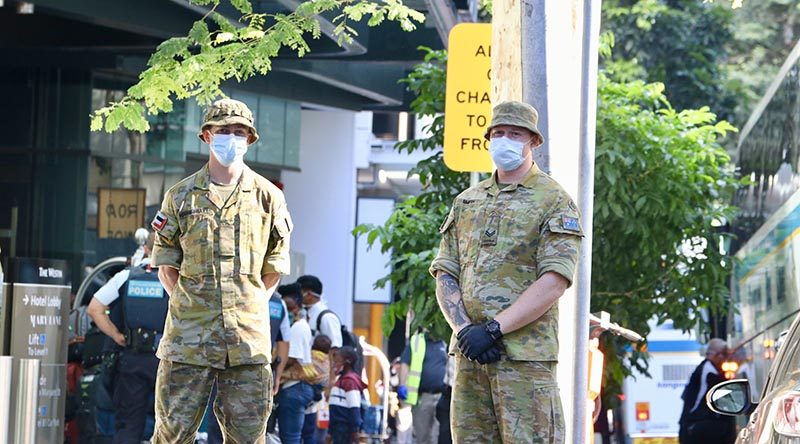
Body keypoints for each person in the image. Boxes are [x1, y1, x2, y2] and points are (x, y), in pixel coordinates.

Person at [429, 101, 584, 443]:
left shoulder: (554, 200)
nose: (504, 140)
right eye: (498, 133)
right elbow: (445, 272)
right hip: (472, 357)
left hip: (524, 361)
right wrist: (467, 331)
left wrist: (495, 329)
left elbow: (555, 280)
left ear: (533, 142)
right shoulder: (468, 201)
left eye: (514, 134)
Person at [149, 98, 293, 443]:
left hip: (247, 342)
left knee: (248, 436)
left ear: (250, 139)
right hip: (188, 339)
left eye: (239, 132)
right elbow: (166, 264)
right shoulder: (181, 196)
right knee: (172, 434)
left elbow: (275, 264)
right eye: (224, 131)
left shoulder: (268, 197)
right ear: (207, 136)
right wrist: (193, 304)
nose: (232, 138)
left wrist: (253, 303)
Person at [86, 230, 166, 444]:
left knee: (129, 427)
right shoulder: (178, 280)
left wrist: (117, 336)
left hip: (133, 359)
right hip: (167, 363)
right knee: (170, 427)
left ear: (146, 249)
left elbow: (94, 309)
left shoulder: (126, 276)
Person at [206, 288, 292, 443]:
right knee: (252, 424)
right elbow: (283, 343)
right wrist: (277, 376)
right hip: (258, 372)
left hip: (226, 366)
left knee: (219, 419)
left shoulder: (233, 291)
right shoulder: (279, 304)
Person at [278, 283, 316, 444]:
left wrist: (273, 371)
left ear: (298, 307)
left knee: (290, 439)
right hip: (295, 389)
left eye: (290, 307)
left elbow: (291, 358)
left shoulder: (298, 328)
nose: (287, 311)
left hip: (294, 388)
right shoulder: (293, 327)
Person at [679, 338, 736, 444]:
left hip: (696, 426)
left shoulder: (707, 368)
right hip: (697, 425)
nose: (725, 359)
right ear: (716, 355)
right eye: (724, 355)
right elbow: (723, 388)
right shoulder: (708, 371)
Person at [398, 331, 448, 444]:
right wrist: (402, 384)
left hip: (442, 397)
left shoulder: (445, 342)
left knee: (438, 436)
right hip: (423, 397)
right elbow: (405, 364)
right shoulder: (417, 341)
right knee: (423, 436)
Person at [329, 346, 366, 444]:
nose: (334, 365)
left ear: (347, 362)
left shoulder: (349, 382)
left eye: (337, 362)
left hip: (344, 428)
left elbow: (354, 408)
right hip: (338, 428)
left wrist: (355, 430)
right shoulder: (341, 380)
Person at [299, 275, 343, 348]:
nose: (297, 297)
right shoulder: (304, 313)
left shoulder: (327, 317)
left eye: (299, 293)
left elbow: (335, 348)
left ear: (309, 295)